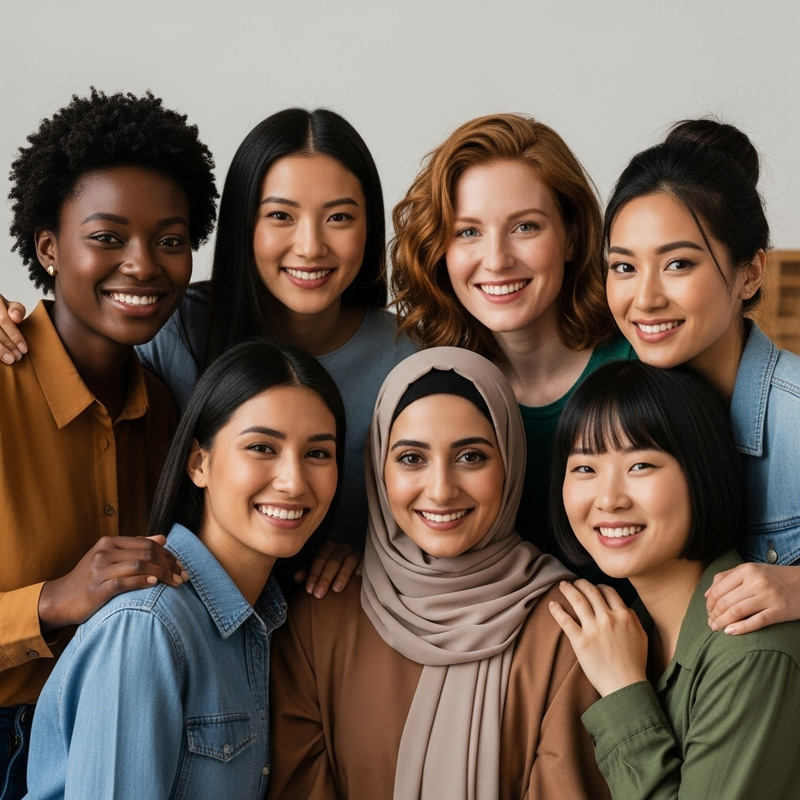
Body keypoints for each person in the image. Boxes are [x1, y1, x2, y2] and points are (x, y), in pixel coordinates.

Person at [0, 107, 416, 597]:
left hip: (309, 633)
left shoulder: (408, 362)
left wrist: (376, 552)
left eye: (340, 217)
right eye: (281, 215)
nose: (310, 246)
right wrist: (50, 602)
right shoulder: (172, 328)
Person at [267, 347, 610, 800]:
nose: (442, 490)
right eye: (411, 458)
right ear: (378, 468)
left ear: (510, 462)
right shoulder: (318, 616)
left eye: (471, 457)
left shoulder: (572, 627)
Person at [0, 89, 217, 800]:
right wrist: (52, 602)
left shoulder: (167, 415)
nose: (143, 265)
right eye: (107, 237)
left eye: (171, 239)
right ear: (48, 248)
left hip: (115, 740)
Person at [24, 340, 344, 800]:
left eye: (318, 453)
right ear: (199, 463)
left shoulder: (269, 617)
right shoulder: (146, 626)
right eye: (261, 447)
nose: (294, 481)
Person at [548, 360, 800, 799]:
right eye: (585, 468)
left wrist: (623, 690)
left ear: (701, 472)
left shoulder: (748, 647)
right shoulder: (627, 628)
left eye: (641, 465)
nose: (608, 499)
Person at [390, 113, 633, 566]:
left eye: (525, 227)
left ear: (572, 237)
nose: (497, 260)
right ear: (440, 250)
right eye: (468, 232)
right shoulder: (434, 388)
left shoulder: (643, 366)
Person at [603, 119, 800, 634]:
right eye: (624, 267)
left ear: (750, 272)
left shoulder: (795, 414)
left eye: (678, 264)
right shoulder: (613, 409)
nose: (644, 299)